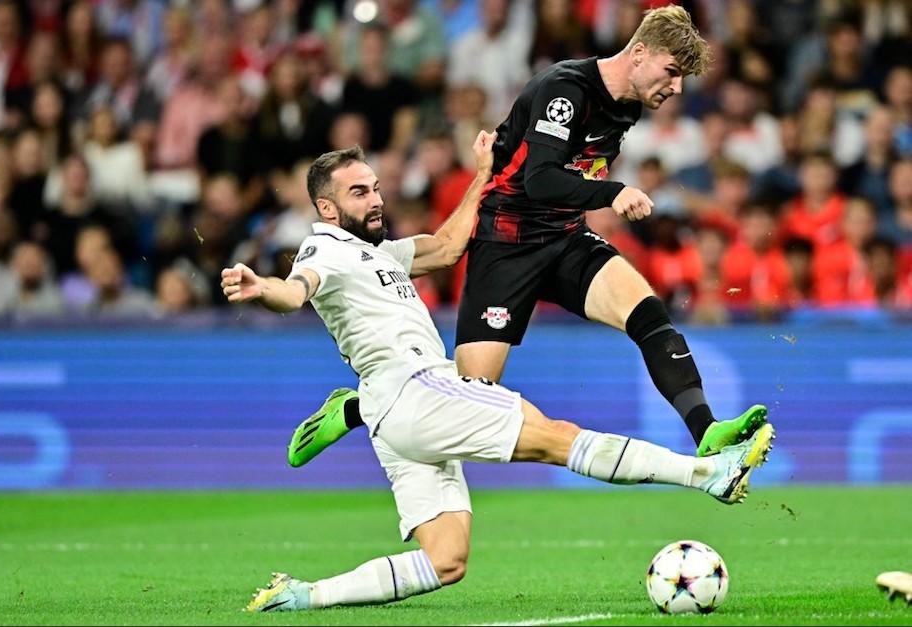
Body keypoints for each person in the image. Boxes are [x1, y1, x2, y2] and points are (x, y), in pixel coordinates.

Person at [222, 137, 775, 612]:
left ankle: (301, 594)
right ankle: (708, 475)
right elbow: (297, 289)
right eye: (358, 192)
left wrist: (483, 175)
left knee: (445, 561)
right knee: (552, 436)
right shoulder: (326, 247)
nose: (376, 199)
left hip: (396, 419)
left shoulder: (381, 253)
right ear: (327, 207)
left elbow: (445, 246)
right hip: (415, 390)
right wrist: (262, 288)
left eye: (376, 187)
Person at [289, 5, 766, 469]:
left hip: (564, 237)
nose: (677, 87)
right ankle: (353, 409)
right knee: (469, 400)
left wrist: (593, 196)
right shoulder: (566, 89)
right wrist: (612, 193)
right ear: (639, 52)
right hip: (505, 245)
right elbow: (539, 179)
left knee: (648, 314)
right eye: (672, 71)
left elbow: (575, 173)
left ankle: (707, 434)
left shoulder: (629, 106)